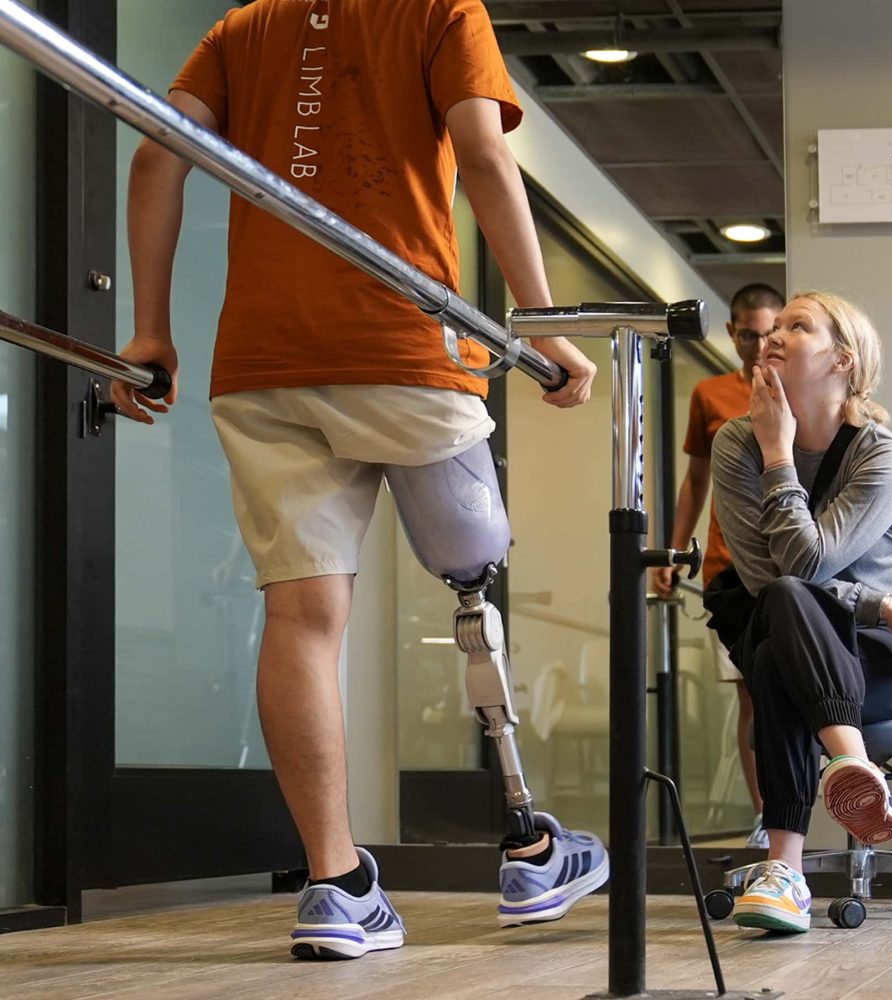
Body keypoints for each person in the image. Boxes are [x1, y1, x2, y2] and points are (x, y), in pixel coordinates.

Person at [112, 0, 602, 960]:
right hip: (403, 343)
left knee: (299, 619)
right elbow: (488, 158)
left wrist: (151, 325)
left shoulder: (240, 28)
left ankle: (335, 885)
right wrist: (541, 321)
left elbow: (154, 156)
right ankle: (529, 843)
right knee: (473, 569)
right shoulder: (440, 11)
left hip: (263, 363)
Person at [709, 291, 892, 934]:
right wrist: (879, 601)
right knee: (781, 619)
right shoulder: (736, 443)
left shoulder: (880, 454)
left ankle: (783, 869)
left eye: (798, 326)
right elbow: (772, 578)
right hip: (827, 629)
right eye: (775, 325)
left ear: (842, 360)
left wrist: (781, 457)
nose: (775, 335)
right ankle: (852, 761)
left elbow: (809, 564)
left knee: (777, 653)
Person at [653, 283, 784, 848]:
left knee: (799, 692)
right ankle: (766, 817)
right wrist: (674, 550)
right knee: (751, 697)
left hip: (790, 565)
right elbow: (696, 481)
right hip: (728, 570)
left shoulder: (795, 389)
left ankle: (801, 812)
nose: (758, 346)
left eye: (768, 334)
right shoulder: (710, 394)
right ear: (732, 334)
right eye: (748, 334)